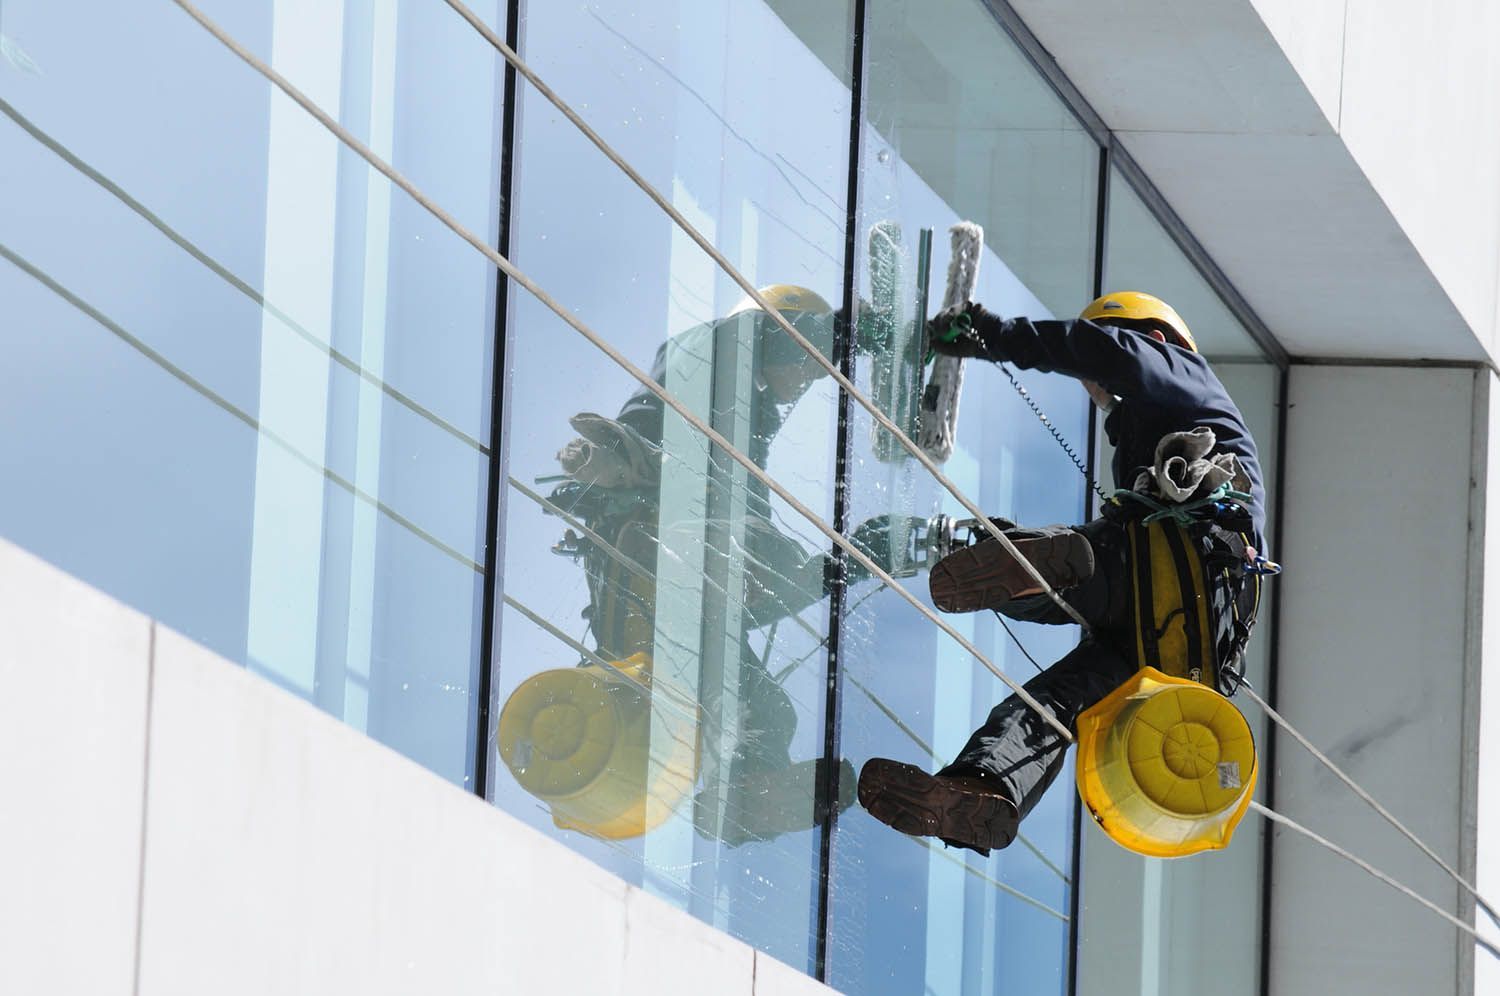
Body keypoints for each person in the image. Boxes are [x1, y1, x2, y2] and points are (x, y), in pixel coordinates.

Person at [856, 291, 1268, 854]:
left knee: (1089, 564)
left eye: (1094, 386)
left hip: (1175, 552)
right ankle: (981, 791)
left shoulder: (1181, 369)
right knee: (1051, 705)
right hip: (1175, 649)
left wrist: (991, 332)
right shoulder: (1155, 420)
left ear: (1153, 336)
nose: (1094, 393)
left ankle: (1025, 561)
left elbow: (1105, 352)